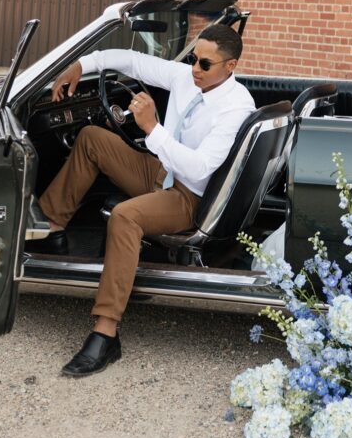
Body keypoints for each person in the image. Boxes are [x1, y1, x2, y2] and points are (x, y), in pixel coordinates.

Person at [37, 23, 255, 377]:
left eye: (205, 64)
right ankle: (51, 225)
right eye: (194, 58)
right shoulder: (188, 76)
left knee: (124, 216)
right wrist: (81, 65)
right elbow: (132, 61)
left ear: (230, 67)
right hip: (161, 171)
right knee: (92, 137)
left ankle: (105, 333)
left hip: (190, 196)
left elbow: (200, 168)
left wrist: (152, 128)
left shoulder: (236, 107)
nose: (195, 69)